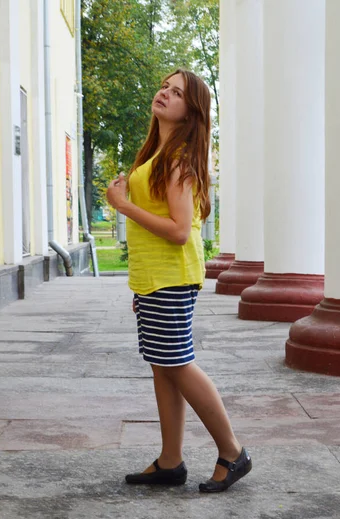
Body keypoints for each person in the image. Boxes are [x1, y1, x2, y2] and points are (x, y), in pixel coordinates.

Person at [106, 69, 252, 493]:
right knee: (163, 366)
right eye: (164, 87)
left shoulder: (179, 159)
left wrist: (122, 205)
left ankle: (232, 451)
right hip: (156, 280)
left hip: (170, 279)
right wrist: (144, 286)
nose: (164, 94)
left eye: (176, 93)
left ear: (191, 110)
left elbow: (178, 229)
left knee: (177, 364)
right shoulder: (162, 152)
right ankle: (171, 462)